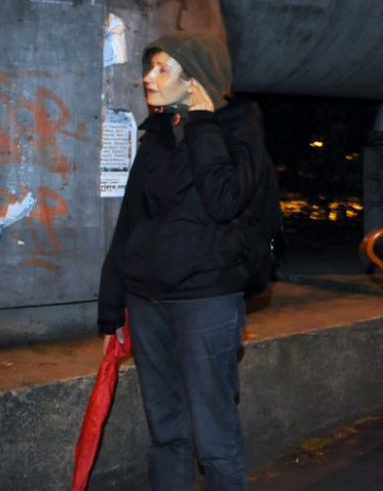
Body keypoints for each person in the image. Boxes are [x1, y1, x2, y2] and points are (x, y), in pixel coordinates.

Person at [98, 32, 278, 491]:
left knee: (214, 437)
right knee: (166, 433)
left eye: (162, 69)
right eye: (149, 67)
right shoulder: (156, 133)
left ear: (194, 79)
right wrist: (110, 308)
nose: (147, 78)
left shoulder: (239, 125)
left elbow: (225, 200)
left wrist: (201, 122)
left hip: (206, 300)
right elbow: (131, 221)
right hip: (147, 303)